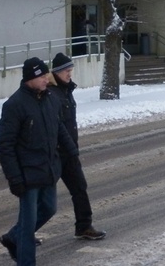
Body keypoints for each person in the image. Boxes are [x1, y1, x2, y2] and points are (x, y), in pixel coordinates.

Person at [0, 57, 79, 265]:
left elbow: (58, 127)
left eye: (45, 75)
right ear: (29, 79)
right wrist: (14, 178)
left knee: (49, 208)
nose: (46, 79)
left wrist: (71, 150)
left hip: (49, 168)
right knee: (28, 222)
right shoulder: (15, 105)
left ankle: (14, 236)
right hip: (26, 174)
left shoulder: (51, 98)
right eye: (41, 76)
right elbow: (4, 145)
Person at [49, 53, 106, 241]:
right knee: (43, 200)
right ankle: (21, 233)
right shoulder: (52, 94)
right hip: (55, 154)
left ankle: (84, 226)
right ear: (57, 72)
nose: (69, 74)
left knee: (80, 188)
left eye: (70, 70)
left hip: (69, 151)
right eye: (67, 71)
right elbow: (54, 127)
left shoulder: (65, 90)